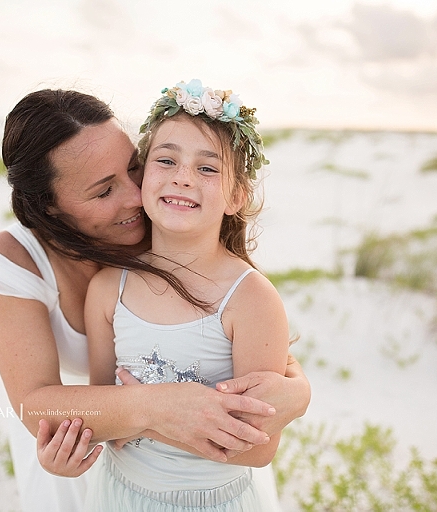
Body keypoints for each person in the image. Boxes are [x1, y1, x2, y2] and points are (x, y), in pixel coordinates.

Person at [0, 87, 310, 511]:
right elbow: (41, 401)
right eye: (103, 191)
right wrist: (160, 410)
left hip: (205, 480)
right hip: (80, 443)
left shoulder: (173, 220)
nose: (135, 197)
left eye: (134, 168)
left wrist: (299, 391)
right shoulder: (26, 263)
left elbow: (261, 357)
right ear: (51, 206)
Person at [77, 79, 290, 510]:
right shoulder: (107, 289)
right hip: (119, 496)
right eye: (166, 160)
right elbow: (99, 409)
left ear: (236, 196)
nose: (183, 178)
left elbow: (258, 447)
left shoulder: (249, 299)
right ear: (141, 176)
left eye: (207, 168)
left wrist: (141, 418)